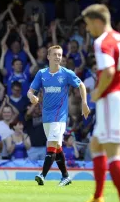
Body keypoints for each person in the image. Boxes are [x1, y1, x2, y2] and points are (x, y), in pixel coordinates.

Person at [79, 4, 120, 202]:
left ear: (97, 21)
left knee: (112, 151)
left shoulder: (103, 42)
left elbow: (109, 72)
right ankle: (98, 198)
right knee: (96, 145)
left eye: (88, 24)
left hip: (111, 99)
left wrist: (99, 92)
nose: (87, 29)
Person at [27, 45, 90, 186]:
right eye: (54, 54)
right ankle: (66, 177)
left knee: (51, 145)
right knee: (57, 147)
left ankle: (42, 175)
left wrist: (84, 103)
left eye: (60, 55)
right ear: (48, 56)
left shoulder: (66, 73)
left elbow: (81, 85)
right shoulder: (41, 74)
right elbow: (30, 91)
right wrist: (32, 97)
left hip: (60, 117)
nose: (57, 57)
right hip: (46, 116)